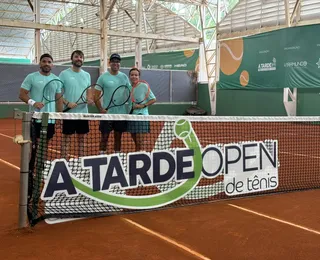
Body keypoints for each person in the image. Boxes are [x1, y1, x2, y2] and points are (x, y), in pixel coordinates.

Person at [19, 53, 62, 200]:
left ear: (52, 65)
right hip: (34, 118)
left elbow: (59, 100)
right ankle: (30, 173)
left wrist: (60, 117)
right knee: (33, 147)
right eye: (44, 61)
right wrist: (33, 103)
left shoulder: (56, 80)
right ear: (40, 63)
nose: (47, 63)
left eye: (49, 61)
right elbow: (22, 94)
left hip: (49, 119)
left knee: (44, 147)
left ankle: (40, 171)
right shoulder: (31, 77)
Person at [94, 53, 131, 154]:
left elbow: (130, 92)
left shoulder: (124, 77)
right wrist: (100, 109)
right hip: (107, 114)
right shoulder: (103, 77)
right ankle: (101, 157)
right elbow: (96, 95)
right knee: (104, 137)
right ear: (109, 63)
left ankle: (117, 156)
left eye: (118, 62)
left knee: (118, 137)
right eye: (113, 61)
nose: (116, 63)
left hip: (121, 114)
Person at [59, 50, 93, 159]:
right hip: (69, 114)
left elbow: (89, 91)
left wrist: (89, 99)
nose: (79, 59)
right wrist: (67, 102)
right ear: (72, 59)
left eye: (81, 57)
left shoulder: (87, 75)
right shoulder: (64, 74)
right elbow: (57, 93)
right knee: (66, 139)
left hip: (83, 113)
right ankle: (64, 161)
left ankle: (81, 162)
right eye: (76, 56)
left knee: (82, 140)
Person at [127, 67, 156, 152]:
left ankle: (139, 158)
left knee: (140, 142)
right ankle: (138, 156)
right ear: (129, 76)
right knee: (136, 142)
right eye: (132, 75)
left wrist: (142, 105)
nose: (134, 77)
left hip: (141, 117)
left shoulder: (144, 86)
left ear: (139, 77)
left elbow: (153, 99)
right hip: (131, 117)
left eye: (136, 75)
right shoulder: (128, 88)